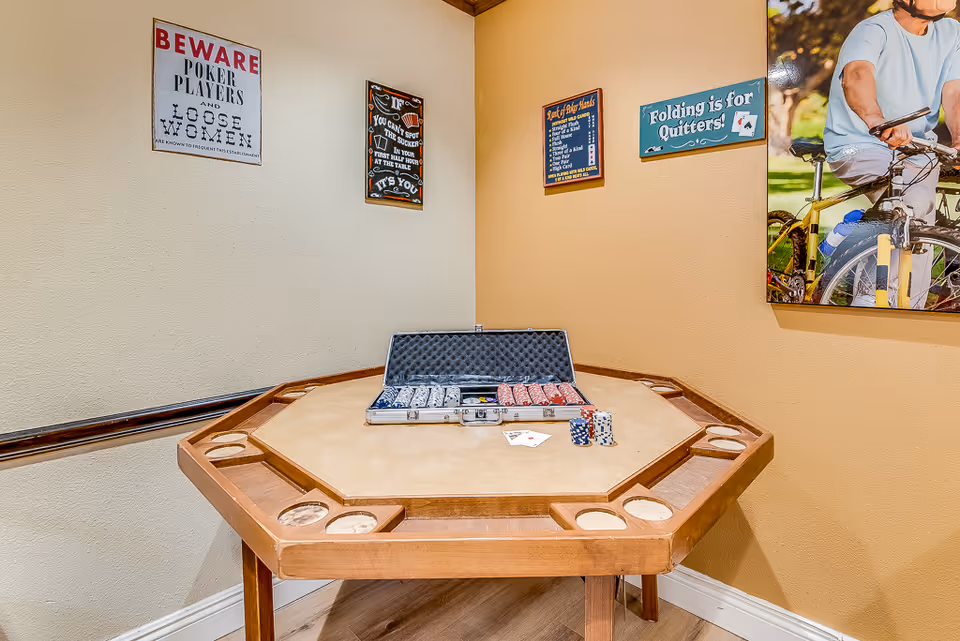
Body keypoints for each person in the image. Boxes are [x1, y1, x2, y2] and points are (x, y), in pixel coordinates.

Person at [824, 0, 960, 308]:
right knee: (906, 206)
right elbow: (856, 75)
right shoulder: (873, 30)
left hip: (918, 151)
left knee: (922, 219)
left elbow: (954, 91)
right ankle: (869, 300)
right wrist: (876, 120)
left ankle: (911, 305)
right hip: (860, 143)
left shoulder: (951, 32)